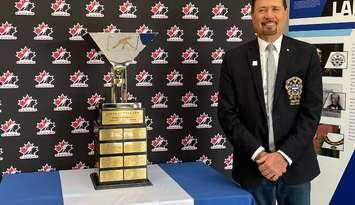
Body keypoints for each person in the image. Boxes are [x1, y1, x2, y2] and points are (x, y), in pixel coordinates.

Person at [217, 0, 322, 205]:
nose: (269, 15)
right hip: (252, 167)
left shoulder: (307, 55)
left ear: (285, 13)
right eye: (262, 10)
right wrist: (259, 155)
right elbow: (227, 114)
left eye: (275, 9)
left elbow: (312, 112)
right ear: (252, 15)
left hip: (296, 166)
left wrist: (283, 156)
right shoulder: (234, 59)